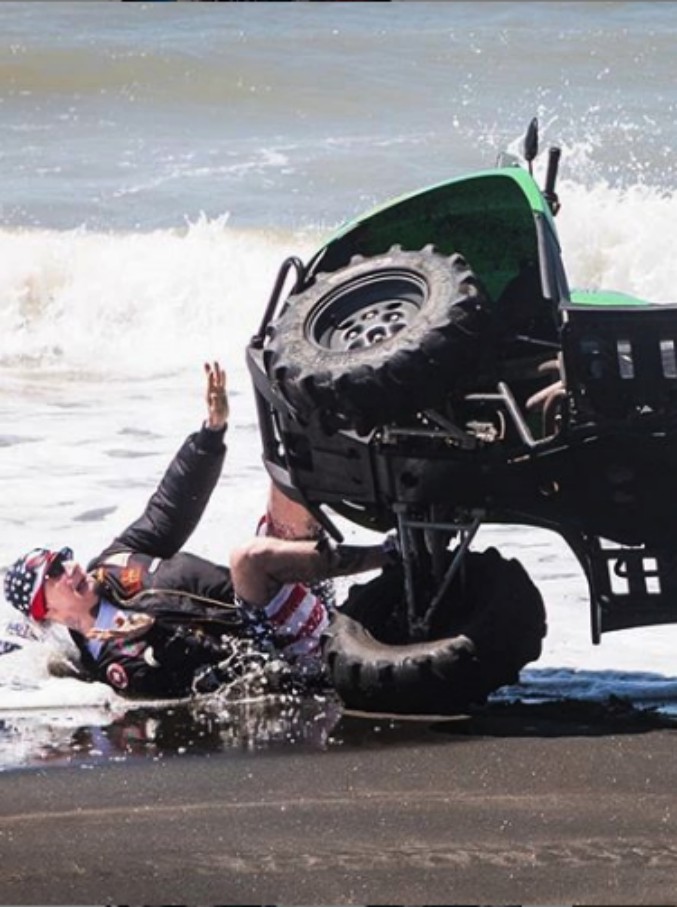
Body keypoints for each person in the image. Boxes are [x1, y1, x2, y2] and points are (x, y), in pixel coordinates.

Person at [2, 362, 394, 699]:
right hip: (275, 644)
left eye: (62, 559)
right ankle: (393, 552)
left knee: (285, 473)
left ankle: (390, 443)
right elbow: (201, 690)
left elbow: (169, 511)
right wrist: (155, 637)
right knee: (248, 559)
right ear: (46, 609)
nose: (68, 568)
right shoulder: (113, 664)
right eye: (53, 574)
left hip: (290, 597)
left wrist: (211, 432)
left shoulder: (113, 565)